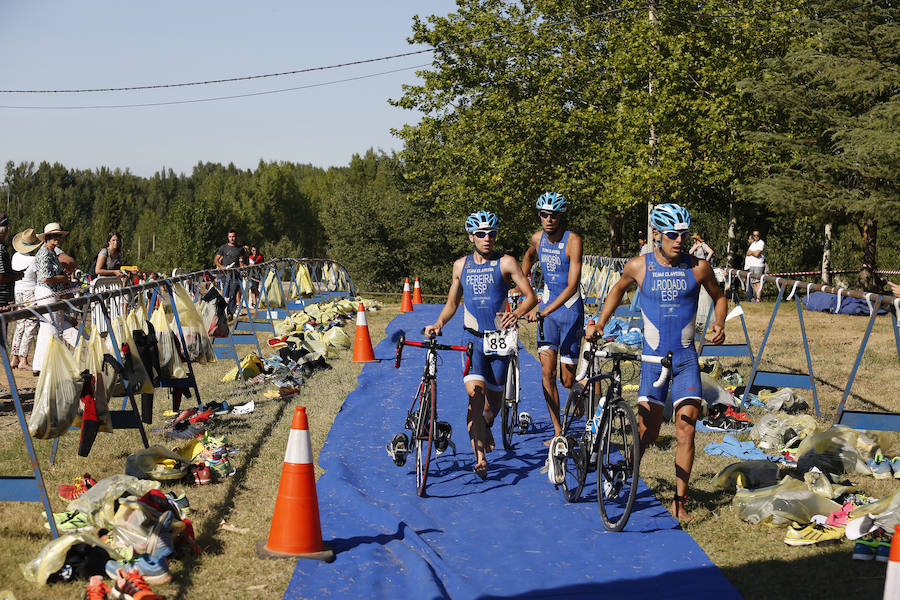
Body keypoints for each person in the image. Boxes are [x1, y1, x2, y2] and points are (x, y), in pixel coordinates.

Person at [592, 203, 727, 521]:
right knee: (648, 432)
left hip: (685, 360)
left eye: (682, 234)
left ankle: (680, 503)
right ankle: (626, 463)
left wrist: (719, 322)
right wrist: (600, 322)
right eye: (671, 235)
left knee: (686, 429)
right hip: (653, 362)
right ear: (656, 234)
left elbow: (719, 296)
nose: (679, 240)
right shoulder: (639, 266)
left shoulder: (698, 268)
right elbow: (617, 290)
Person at [425, 210, 537, 478]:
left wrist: (517, 313)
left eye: (492, 234)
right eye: (481, 234)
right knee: (475, 397)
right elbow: (452, 303)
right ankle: (480, 458)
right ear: (471, 236)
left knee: (493, 404)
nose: (488, 238)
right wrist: (439, 323)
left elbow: (531, 297)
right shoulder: (460, 266)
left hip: (499, 339)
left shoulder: (507, 262)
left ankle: (486, 426)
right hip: (472, 338)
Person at [520, 192, 584, 443]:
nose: (548, 219)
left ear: (561, 217)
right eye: (544, 215)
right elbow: (528, 258)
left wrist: (544, 310)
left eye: (553, 215)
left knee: (567, 380)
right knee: (547, 373)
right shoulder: (537, 239)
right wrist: (520, 285)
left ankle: (586, 391)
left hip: (569, 311)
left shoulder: (573, 240)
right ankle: (559, 432)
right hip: (547, 313)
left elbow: (572, 285)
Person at [32, 222, 79, 376]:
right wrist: (63, 277)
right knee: (51, 329)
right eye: (54, 235)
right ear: (47, 238)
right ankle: (50, 364)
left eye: (59, 235)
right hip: (46, 292)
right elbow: (46, 278)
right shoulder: (46, 253)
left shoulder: (51, 252)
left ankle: (40, 365)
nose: (58, 238)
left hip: (51, 293)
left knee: (47, 328)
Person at [9, 228, 41, 370]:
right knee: (31, 323)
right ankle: (23, 357)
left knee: (20, 323)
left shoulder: (15, 256)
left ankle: (14, 356)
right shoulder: (33, 259)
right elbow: (38, 277)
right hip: (30, 292)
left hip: (18, 291)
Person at [214, 229, 245, 318]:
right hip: (224, 274)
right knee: (225, 294)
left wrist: (243, 267)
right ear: (228, 237)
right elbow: (216, 260)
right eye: (230, 237)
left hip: (235, 275)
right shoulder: (223, 248)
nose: (232, 238)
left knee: (233, 292)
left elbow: (241, 261)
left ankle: (230, 313)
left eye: (233, 237)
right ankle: (221, 312)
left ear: (236, 237)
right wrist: (222, 267)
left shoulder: (240, 249)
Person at [0, 214, 24, 309]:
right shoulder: (0, 249)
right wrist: (17, 276)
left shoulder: (3, 248)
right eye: (7, 226)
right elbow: (1, 278)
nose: (9, 229)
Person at [744, 230, 765, 302]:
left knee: (758, 282)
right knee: (754, 283)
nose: (756, 237)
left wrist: (752, 252)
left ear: (759, 236)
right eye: (754, 235)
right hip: (752, 265)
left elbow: (757, 254)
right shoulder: (753, 244)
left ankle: (759, 298)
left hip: (758, 265)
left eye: (757, 235)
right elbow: (747, 253)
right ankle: (757, 298)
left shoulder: (761, 243)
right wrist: (754, 252)